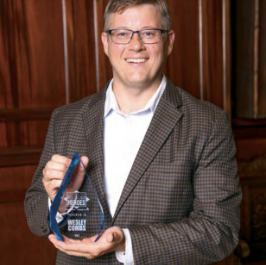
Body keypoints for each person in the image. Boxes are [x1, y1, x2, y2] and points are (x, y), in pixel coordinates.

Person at [24, 0, 242, 264]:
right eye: (122, 34)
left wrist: (127, 241)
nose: (135, 45)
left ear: (169, 41)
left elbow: (220, 231)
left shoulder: (208, 123)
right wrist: (59, 202)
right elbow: (36, 218)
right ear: (105, 42)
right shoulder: (65, 119)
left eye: (149, 33)